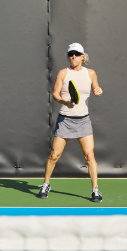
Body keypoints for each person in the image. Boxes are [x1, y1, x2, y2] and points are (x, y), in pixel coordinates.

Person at [40, 43, 103, 202]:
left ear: (83, 56)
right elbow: (55, 94)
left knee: (89, 155)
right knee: (54, 155)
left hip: (83, 120)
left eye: (76, 54)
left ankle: (95, 190)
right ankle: (46, 184)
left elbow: (96, 89)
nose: (73, 57)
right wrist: (64, 101)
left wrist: (98, 90)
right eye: (70, 54)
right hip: (65, 120)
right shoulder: (63, 73)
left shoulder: (91, 73)